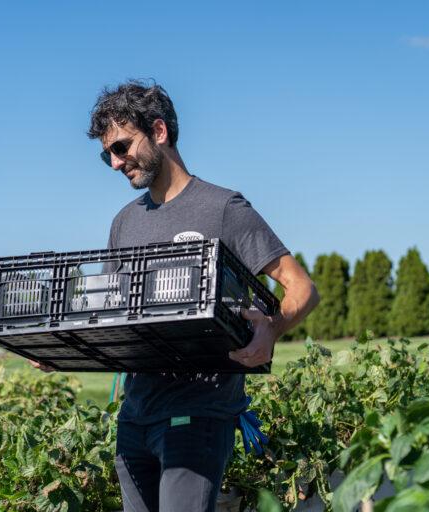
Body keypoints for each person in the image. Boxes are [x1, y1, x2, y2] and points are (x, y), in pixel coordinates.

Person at [30, 80, 319, 512]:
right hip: (135, 417)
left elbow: (301, 288)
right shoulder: (124, 222)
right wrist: (66, 348)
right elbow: (114, 315)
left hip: (198, 411)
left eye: (122, 146)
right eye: (106, 153)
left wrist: (272, 330)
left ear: (159, 132)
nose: (114, 162)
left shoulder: (223, 208)